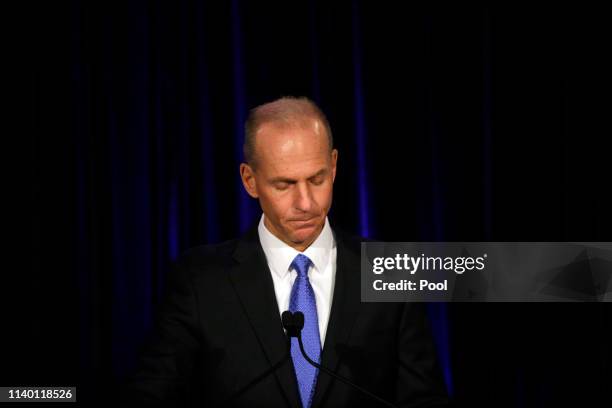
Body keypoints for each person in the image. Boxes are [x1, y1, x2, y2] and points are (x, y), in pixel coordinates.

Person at [122, 97, 449, 407]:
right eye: (284, 185)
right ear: (250, 180)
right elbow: (153, 395)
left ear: (333, 166)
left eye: (317, 179)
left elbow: (424, 399)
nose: (306, 203)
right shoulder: (200, 280)